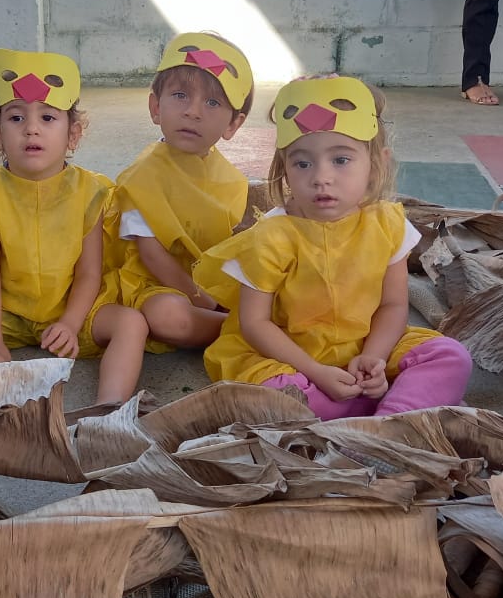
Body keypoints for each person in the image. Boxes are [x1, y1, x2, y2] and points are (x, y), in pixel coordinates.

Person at [194, 76, 473, 419]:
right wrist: (315, 372)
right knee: (275, 397)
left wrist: (376, 357)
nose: (320, 177)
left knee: (451, 355)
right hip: (291, 358)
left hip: (364, 346)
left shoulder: (388, 223)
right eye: (302, 163)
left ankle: (391, 422)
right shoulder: (270, 235)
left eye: (340, 160)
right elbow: (255, 324)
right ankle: (399, 408)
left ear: (377, 163)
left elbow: (393, 304)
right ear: (284, 169)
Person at [0, 48, 148, 405]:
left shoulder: (91, 192)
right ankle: (5, 375)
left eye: (48, 118)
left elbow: (89, 273)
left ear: (73, 134)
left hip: (69, 306)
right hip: (2, 309)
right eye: (16, 118)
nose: (31, 128)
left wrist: (69, 322)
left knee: (132, 323)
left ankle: (106, 409)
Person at [113, 32, 252, 351]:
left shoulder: (230, 179)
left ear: (233, 124)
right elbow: (152, 256)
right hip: (156, 285)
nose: (193, 111)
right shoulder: (142, 176)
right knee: (167, 318)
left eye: (213, 102)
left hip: (210, 281)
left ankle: (252, 324)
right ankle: (245, 332)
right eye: (180, 95)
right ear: (155, 107)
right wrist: (206, 301)